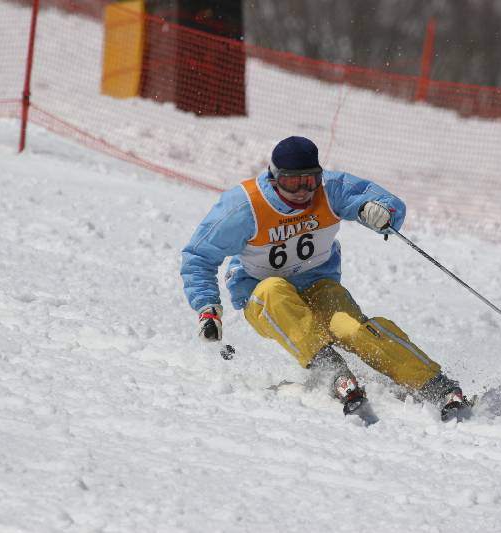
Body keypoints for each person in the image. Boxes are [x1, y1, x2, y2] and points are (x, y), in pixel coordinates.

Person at [180, 136, 468, 421]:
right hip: (263, 298)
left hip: (318, 286)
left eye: (310, 181)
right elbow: (198, 256)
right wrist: (208, 308)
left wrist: (381, 212)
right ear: (274, 178)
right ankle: (330, 369)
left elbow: (386, 202)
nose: (302, 191)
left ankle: (435, 384)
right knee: (273, 289)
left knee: (352, 328)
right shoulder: (244, 207)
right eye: (292, 183)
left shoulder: (329, 190)